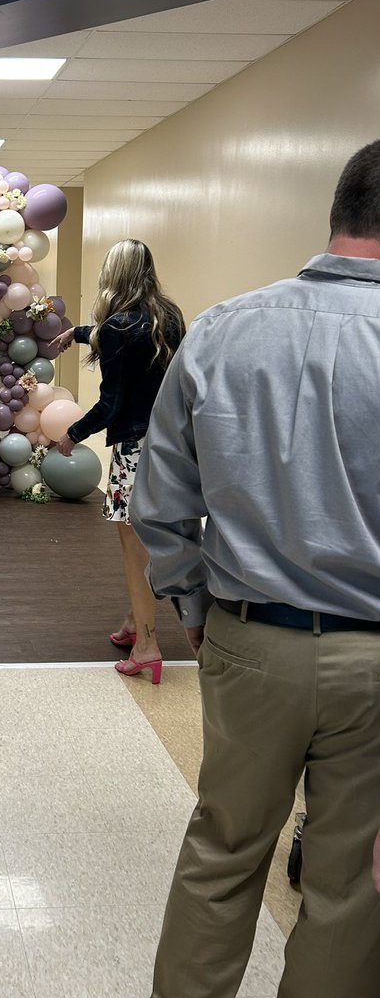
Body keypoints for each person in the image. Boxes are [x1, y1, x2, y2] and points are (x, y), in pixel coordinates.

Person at [130, 141, 380, 997]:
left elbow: (159, 502)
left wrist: (194, 608)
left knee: (224, 850)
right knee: (349, 888)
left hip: (249, 639)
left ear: (337, 213)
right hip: (375, 663)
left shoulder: (223, 329)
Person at [52, 239, 184, 684]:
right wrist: (77, 333)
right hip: (171, 445)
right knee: (147, 540)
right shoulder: (168, 317)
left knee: (133, 549)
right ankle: (134, 621)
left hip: (134, 449)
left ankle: (147, 645)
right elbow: (122, 338)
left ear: (113, 275)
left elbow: (111, 404)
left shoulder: (116, 328)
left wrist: (73, 434)